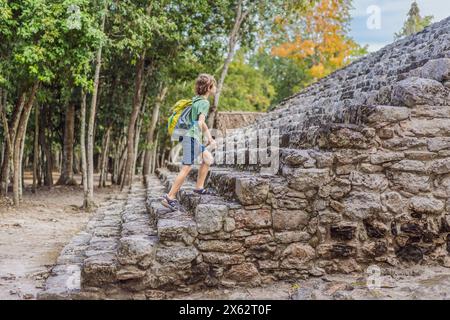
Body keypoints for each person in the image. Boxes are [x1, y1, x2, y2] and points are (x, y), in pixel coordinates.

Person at [162, 74, 217, 211]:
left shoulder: (195, 100)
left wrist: (209, 138)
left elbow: (201, 123)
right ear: (209, 88)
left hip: (188, 136)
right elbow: (200, 122)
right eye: (214, 85)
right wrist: (199, 134)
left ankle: (199, 187)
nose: (215, 87)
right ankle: (170, 197)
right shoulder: (204, 103)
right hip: (191, 137)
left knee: (208, 159)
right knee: (186, 167)